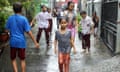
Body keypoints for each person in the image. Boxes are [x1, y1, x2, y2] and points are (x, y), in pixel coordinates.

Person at [5, 2, 39, 72]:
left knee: (13, 59)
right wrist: (35, 42)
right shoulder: (24, 19)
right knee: (22, 59)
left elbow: (6, 30)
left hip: (13, 42)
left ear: (13, 9)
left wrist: (10, 32)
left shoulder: (10, 18)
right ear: (21, 9)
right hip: (21, 42)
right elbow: (28, 32)